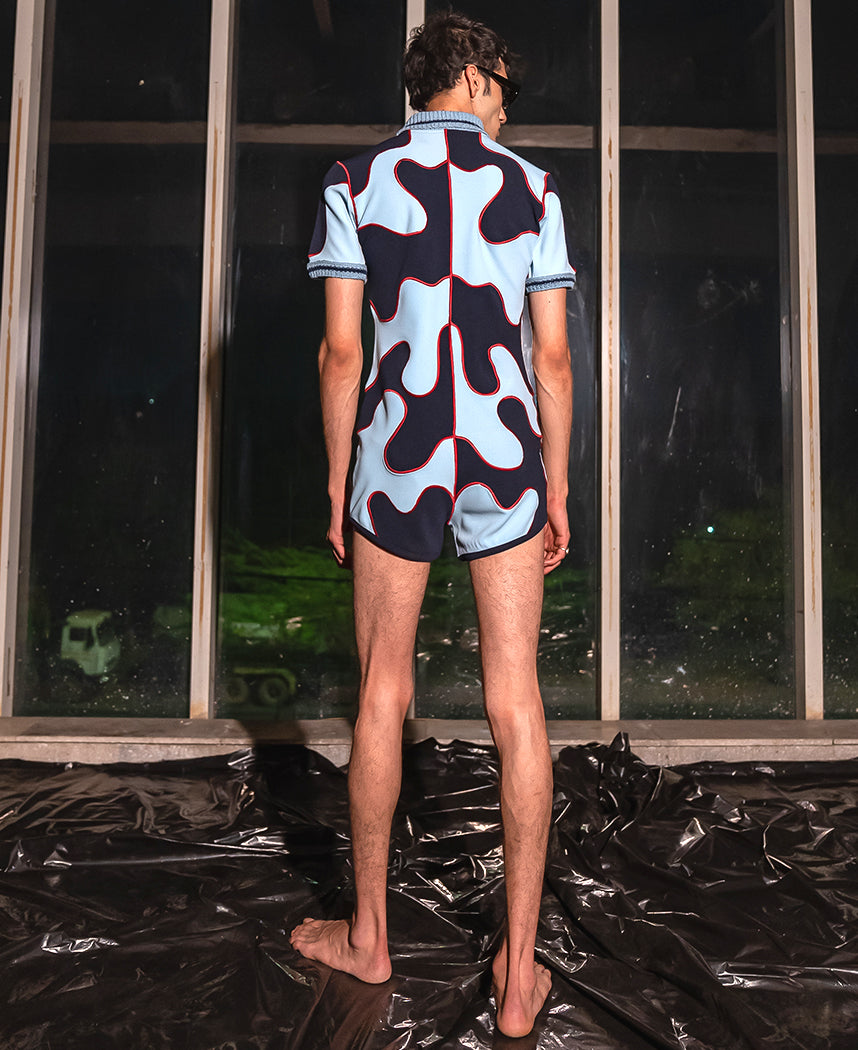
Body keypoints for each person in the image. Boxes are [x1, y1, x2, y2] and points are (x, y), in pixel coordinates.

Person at [290, 10, 575, 1039]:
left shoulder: (353, 181)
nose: (508, 106)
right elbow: (551, 360)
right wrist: (556, 486)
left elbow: (340, 355)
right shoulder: (532, 189)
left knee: (382, 691)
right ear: (475, 77)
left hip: (397, 459)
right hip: (502, 455)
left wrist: (340, 482)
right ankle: (517, 979)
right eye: (504, 87)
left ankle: (369, 937)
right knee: (517, 702)